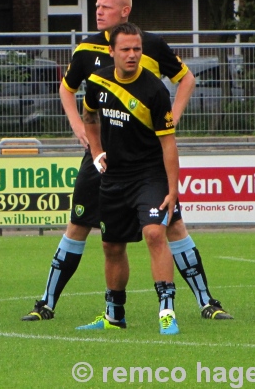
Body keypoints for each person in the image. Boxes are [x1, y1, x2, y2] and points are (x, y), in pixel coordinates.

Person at [22, 0, 232, 322]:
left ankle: (207, 302)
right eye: (97, 6)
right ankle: (46, 303)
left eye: (106, 6)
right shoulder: (87, 48)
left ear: (125, 12)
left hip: (144, 158)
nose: (98, 11)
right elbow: (67, 89)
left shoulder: (148, 46)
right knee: (78, 223)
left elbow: (186, 79)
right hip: (102, 157)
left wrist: (172, 118)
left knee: (170, 227)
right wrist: (79, 127)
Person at [76, 22, 179, 333]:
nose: (133, 55)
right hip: (114, 177)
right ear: (112, 52)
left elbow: (168, 143)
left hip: (149, 174)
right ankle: (114, 316)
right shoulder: (97, 82)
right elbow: (89, 115)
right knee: (112, 246)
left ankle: (167, 311)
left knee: (153, 234)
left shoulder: (155, 90)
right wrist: (95, 151)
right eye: (126, 49)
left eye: (137, 49)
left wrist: (173, 190)